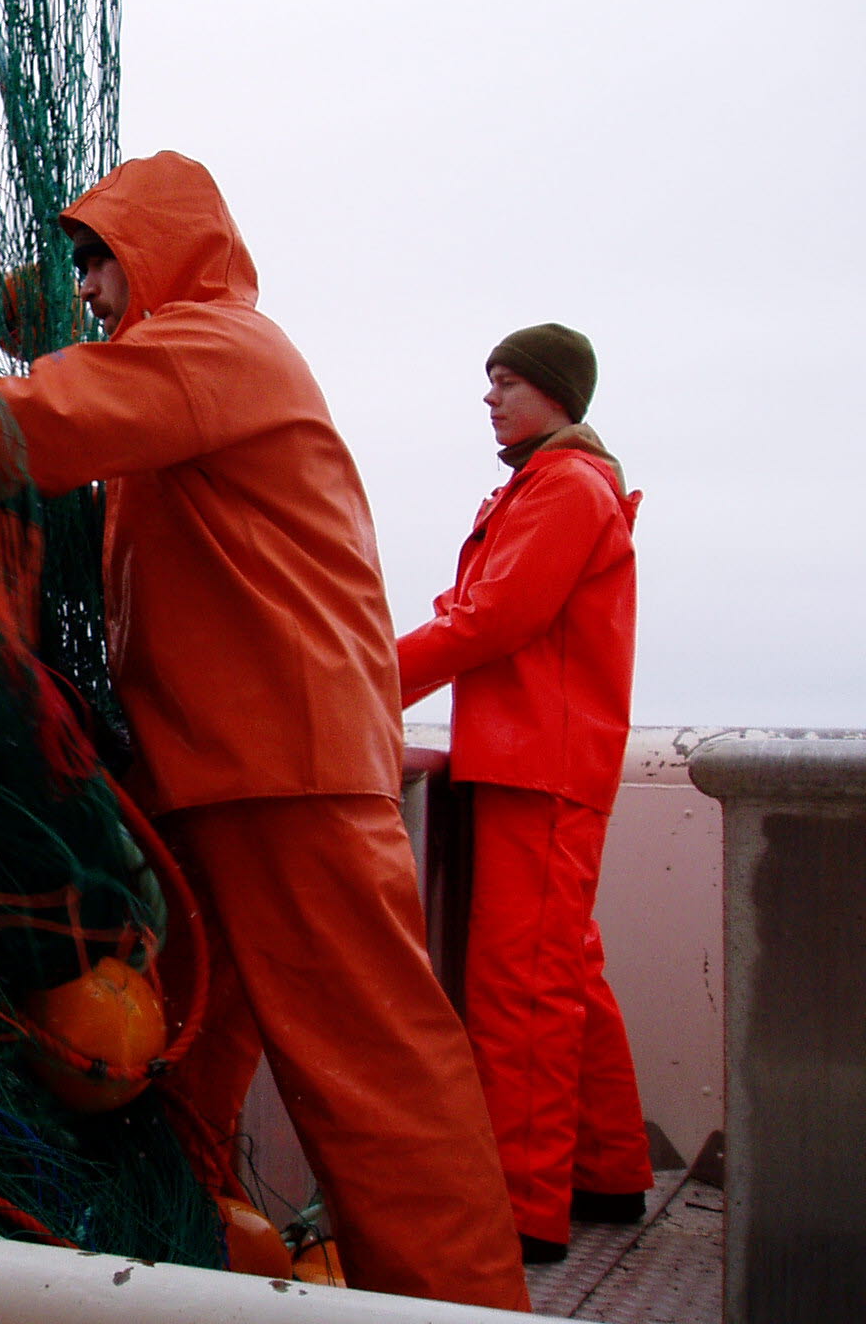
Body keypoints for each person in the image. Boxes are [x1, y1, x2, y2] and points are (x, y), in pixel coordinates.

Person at [0, 153, 528, 1310]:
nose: (88, 290)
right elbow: (58, 360)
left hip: (287, 774)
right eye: (77, 268)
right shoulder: (179, 357)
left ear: (164, 255)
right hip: (212, 771)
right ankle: (180, 1273)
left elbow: (47, 416)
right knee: (166, 1065)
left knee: (370, 1070)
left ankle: (461, 1309)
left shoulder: (219, 346)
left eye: (101, 260)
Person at [397, 324, 654, 1264]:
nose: (490, 398)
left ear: (556, 393)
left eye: (507, 382)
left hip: (539, 767)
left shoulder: (564, 489)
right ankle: (609, 1171)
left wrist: (362, 682)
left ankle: (525, 1209)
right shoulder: (548, 488)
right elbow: (484, 616)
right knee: (565, 973)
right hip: (536, 762)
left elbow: (493, 617)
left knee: (523, 993)